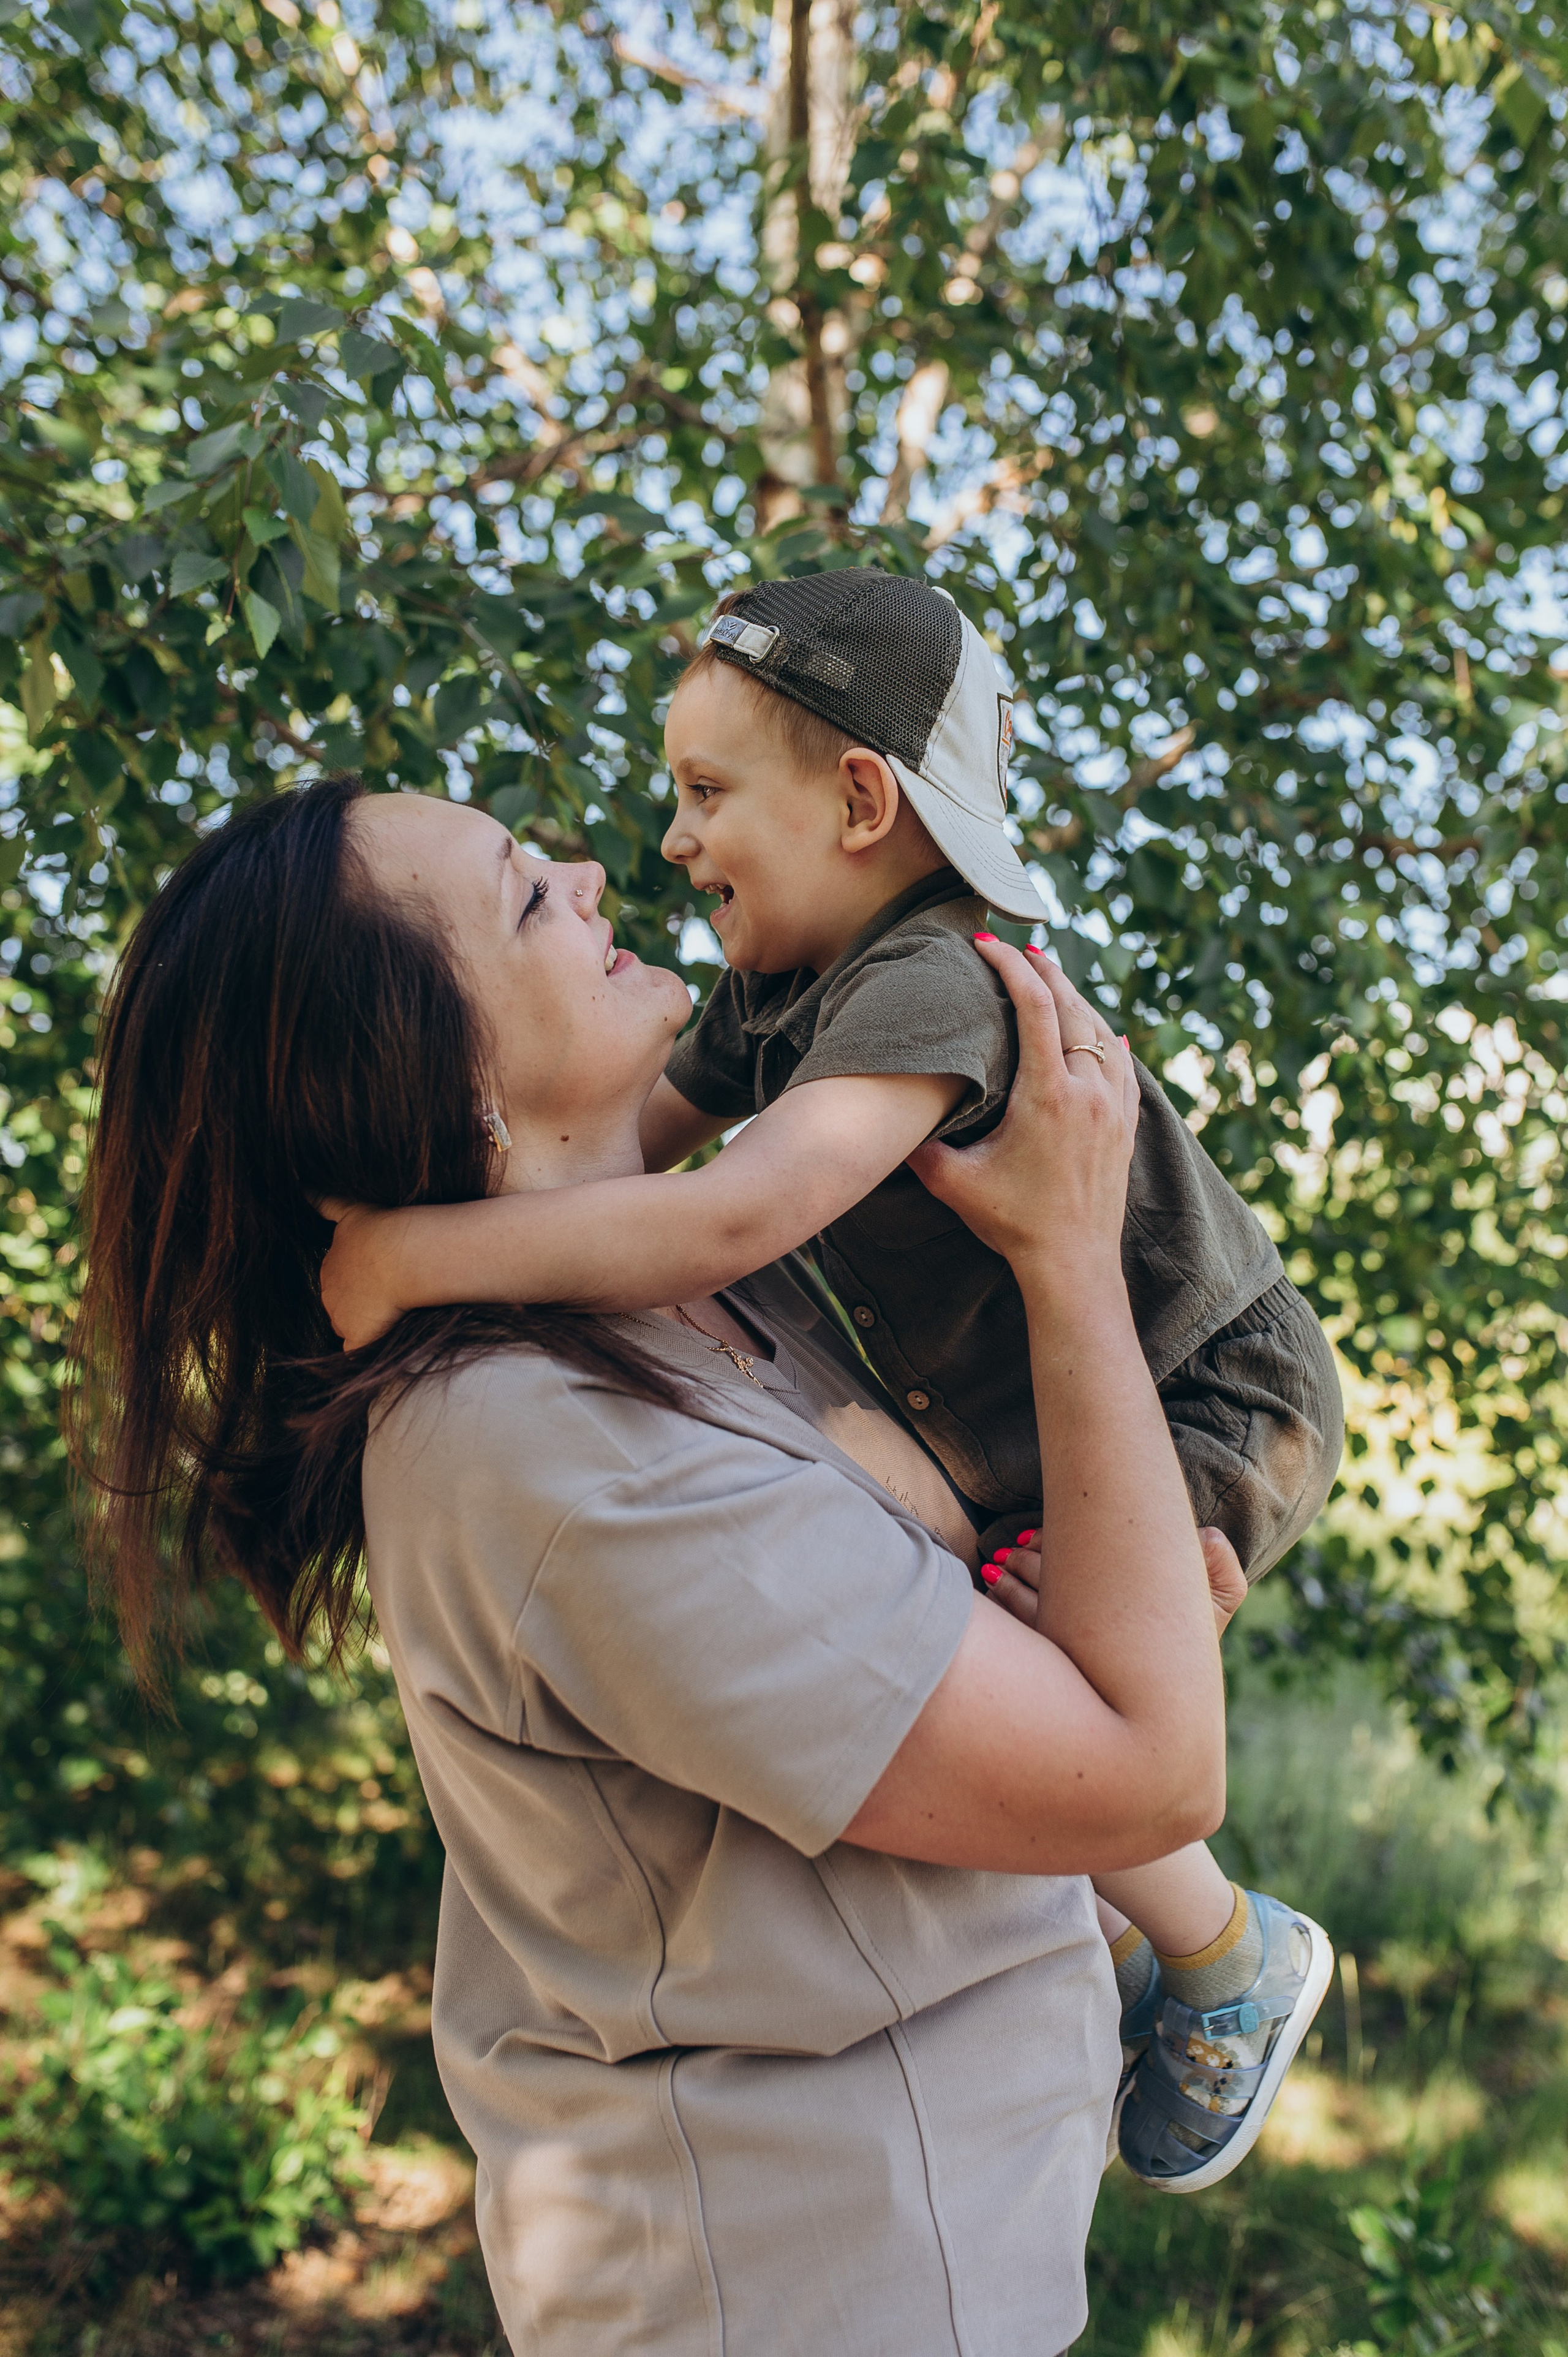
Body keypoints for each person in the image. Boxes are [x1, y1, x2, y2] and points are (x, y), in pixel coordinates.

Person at [78, 771, 1234, 2353]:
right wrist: (1070, 1259)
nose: (589, 874)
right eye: (524, 898)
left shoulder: (683, 1307)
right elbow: (1147, 1773)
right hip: (815, 2300)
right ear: (435, 1076)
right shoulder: (544, 1452)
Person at [320, 572, 1340, 2186]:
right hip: (1017, 1419)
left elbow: (727, 1213)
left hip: (1209, 1384)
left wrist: (409, 1260)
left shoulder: (932, 986)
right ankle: (1148, 1936)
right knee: (1004, 1637)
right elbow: (611, 1183)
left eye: (707, 796)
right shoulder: (769, 992)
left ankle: (1232, 1960)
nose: (671, 844)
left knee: (1077, 1668)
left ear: (860, 802)